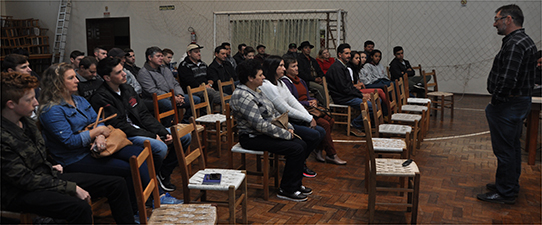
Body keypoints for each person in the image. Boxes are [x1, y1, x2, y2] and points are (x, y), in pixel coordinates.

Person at [37, 63, 180, 217]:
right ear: (57, 83)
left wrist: (99, 134)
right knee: (129, 168)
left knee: (140, 153)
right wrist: (97, 132)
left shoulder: (79, 100)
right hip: (76, 157)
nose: (77, 80)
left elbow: (98, 121)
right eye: (71, 78)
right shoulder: (52, 110)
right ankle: (134, 211)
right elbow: (69, 141)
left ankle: (152, 198)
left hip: (98, 146)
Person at [1, 71, 135, 224]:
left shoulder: (26, 122)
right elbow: (24, 180)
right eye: (29, 99)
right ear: (11, 104)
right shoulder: (3, 136)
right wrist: (71, 188)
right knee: (79, 208)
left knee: (116, 184)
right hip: (18, 192)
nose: (36, 103)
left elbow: (35, 161)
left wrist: (50, 166)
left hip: (43, 176)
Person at [91, 57, 191, 193]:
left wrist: (162, 132)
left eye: (123, 70)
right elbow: (118, 125)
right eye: (119, 72)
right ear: (107, 78)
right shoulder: (100, 97)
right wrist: (152, 136)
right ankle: (151, 179)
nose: (124, 74)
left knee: (184, 136)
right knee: (160, 147)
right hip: (124, 135)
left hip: (141, 129)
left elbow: (144, 114)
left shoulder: (127, 89)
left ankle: (162, 173)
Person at [477, 4, 537, 204]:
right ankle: (508, 184)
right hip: (516, 103)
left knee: (505, 150)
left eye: (497, 19)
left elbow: (508, 79)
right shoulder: (522, 40)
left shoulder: (515, 44)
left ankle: (505, 192)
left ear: (509, 19)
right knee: (511, 148)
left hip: (509, 105)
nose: (495, 24)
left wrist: (496, 100)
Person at [230, 59, 312, 202]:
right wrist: (286, 134)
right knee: (296, 148)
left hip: (263, 133)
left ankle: (295, 184)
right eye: (260, 75)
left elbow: (273, 113)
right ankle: (286, 189)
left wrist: (289, 127)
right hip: (251, 138)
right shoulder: (242, 96)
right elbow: (259, 125)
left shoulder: (256, 90)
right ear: (250, 78)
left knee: (302, 144)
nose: (264, 77)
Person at [259, 55, 323, 177]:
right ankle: (298, 163)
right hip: (279, 122)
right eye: (281, 66)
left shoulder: (280, 82)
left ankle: (299, 161)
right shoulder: (267, 85)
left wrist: (309, 116)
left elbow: (293, 101)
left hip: (287, 119)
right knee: (314, 135)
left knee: (320, 132)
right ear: (273, 68)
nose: (284, 69)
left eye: (284, 65)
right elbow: (284, 108)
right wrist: (308, 118)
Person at [281, 56, 346, 165]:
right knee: (324, 124)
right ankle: (331, 154)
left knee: (331, 120)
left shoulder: (301, 80)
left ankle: (318, 148)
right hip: (300, 110)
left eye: (297, 66)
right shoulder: (286, 82)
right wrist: (307, 103)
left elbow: (307, 96)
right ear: (286, 69)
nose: (296, 68)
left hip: (309, 108)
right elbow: (291, 102)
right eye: (293, 66)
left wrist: (313, 100)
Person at [138, 46, 201, 124]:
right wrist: (172, 97)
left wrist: (179, 95)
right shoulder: (144, 72)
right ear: (150, 58)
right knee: (167, 104)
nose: (161, 58)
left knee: (195, 100)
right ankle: (166, 128)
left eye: (161, 56)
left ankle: (184, 124)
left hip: (172, 96)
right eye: (158, 56)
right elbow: (151, 91)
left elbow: (175, 83)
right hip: (154, 100)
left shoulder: (165, 68)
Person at [325, 43, 372, 137]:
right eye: (346, 53)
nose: (349, 56)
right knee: (370, 106)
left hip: (347, 95)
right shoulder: (337, 68)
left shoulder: (343, 66)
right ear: (339, 54)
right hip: (342, 97)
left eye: (350, 53)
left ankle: (364, 125)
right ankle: (354, 125)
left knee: (376, 101)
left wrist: (360, 94)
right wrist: (361, 95)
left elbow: (350, 87)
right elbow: (344, 89)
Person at [177, 43, 221, 109]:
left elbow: (211, 76)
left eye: (199, 51)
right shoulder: (184, 65)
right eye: (196, 52)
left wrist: (209, 84)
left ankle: (222, 112)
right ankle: (208, 114)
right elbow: (189, 81)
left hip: (206, 88)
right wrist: (203, 86)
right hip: (193, 90)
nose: (199, 54)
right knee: (213, 94)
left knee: (215, 93)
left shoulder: (203, 64)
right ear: (189, 53)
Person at [349, 51, 388, 115]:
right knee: (380, 90)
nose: (360, 59)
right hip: (358, 89)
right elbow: (351, 85)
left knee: (379, 98)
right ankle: (390, 108)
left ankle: (382, 115)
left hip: (361, 87)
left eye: (364, 57)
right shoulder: (350, 69)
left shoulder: (359, 67)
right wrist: (358, 85)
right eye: (358, 58)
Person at [296, 41, 327, 105]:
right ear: (302, 50)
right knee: (320, 88)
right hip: (306, 81)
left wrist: (321, 78)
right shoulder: (299, 59)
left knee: (327, 85)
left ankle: (330, 104)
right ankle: (327, 106)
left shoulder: (313, 60)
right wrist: (314, 79)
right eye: (306, 48)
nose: (308, 49)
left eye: (309, 48)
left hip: (317, 79)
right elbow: (301, 73)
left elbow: (319, 70)